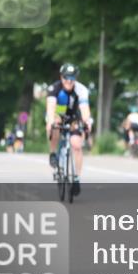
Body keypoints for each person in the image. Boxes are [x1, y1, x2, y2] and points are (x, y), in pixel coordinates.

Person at [46, 63, 92, 195]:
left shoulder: (81, 90)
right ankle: (53, 153)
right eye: (66, 78)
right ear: (61, 77)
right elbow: (50, 108)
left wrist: (87, 123)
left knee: (76, 144)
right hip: (59, 111)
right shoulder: (54, 88)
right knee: (54, 123)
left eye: (72, 78)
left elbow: (84, 110)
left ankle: (76, 178)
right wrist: (50, 121)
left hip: (73, 115)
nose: (69, 81)